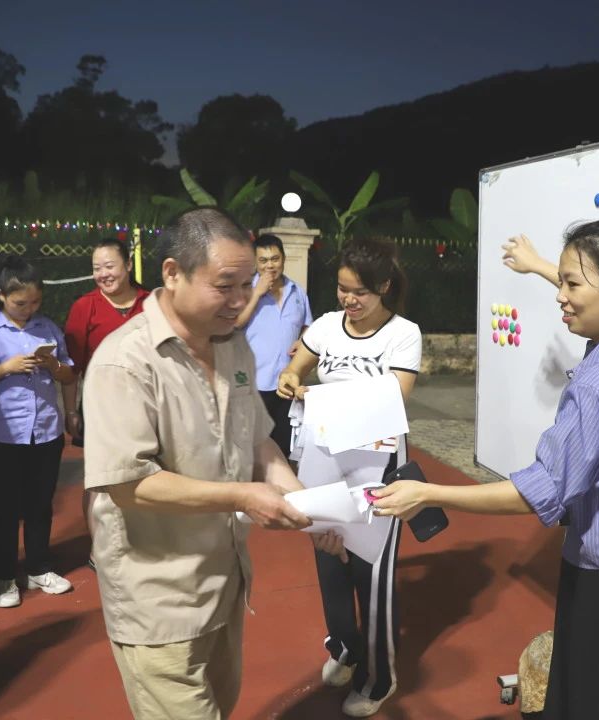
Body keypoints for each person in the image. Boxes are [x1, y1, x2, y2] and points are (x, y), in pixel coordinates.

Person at [373, 220, 599, 719]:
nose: (561, 296)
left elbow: (540, 490)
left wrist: (430, 494)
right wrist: (543, 267)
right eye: (561, 282)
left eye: (571, 284)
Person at [82, 208, 325, 720]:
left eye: (248, 284)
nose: (241, 300)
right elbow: (128, 484)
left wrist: (308, 504)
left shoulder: (232, 346)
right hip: (158, 597)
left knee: (223, 703)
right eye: (225, 286)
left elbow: (257, 440)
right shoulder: (124, 361)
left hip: (225, 581)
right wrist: (242, 495)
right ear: (173, 273)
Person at [277, 236, 422, 718]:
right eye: (342, 289)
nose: (349, 300)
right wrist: (291, 379)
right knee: (327, 555)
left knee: (371, 571)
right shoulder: (325, 326)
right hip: (322, 458)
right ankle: (344, 646)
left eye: (359, 292)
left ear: (384, 287)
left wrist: (322, 398)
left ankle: (378, 679)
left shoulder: (403, 334)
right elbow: (298, 366)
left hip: (378, 467)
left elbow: (395, 397)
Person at [0, 256, 78, 609]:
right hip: (1, 435)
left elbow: (69, 374)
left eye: (35, 302)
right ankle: (2, 576)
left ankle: (38, 567)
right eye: (20, 303)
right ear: (1, 295)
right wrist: (6, 368)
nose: (29, 309)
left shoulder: (47, 328)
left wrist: (53, 364)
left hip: (45, 432)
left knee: (39, 505)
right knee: (2, 509)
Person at [63, 238, 150, 446]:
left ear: (128, 265)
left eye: (109, 266)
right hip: (100, 407)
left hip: (148, 404)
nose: (103, 274)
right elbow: (71, 367)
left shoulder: (152, 303)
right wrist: (71, 411)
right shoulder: (84, 307)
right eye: (97, 269)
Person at [235, 233, 313, 457]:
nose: (270, 265)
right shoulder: (244, 291)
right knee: (251, 448)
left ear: (283, 259)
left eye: (275, 259)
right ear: (255, 263)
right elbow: (235, 323)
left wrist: (302, 340)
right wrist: (257, 294)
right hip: (253, 384)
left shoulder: (297, 292)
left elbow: (308, 326)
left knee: (283, 446)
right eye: (263, 260)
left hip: (287, 384)